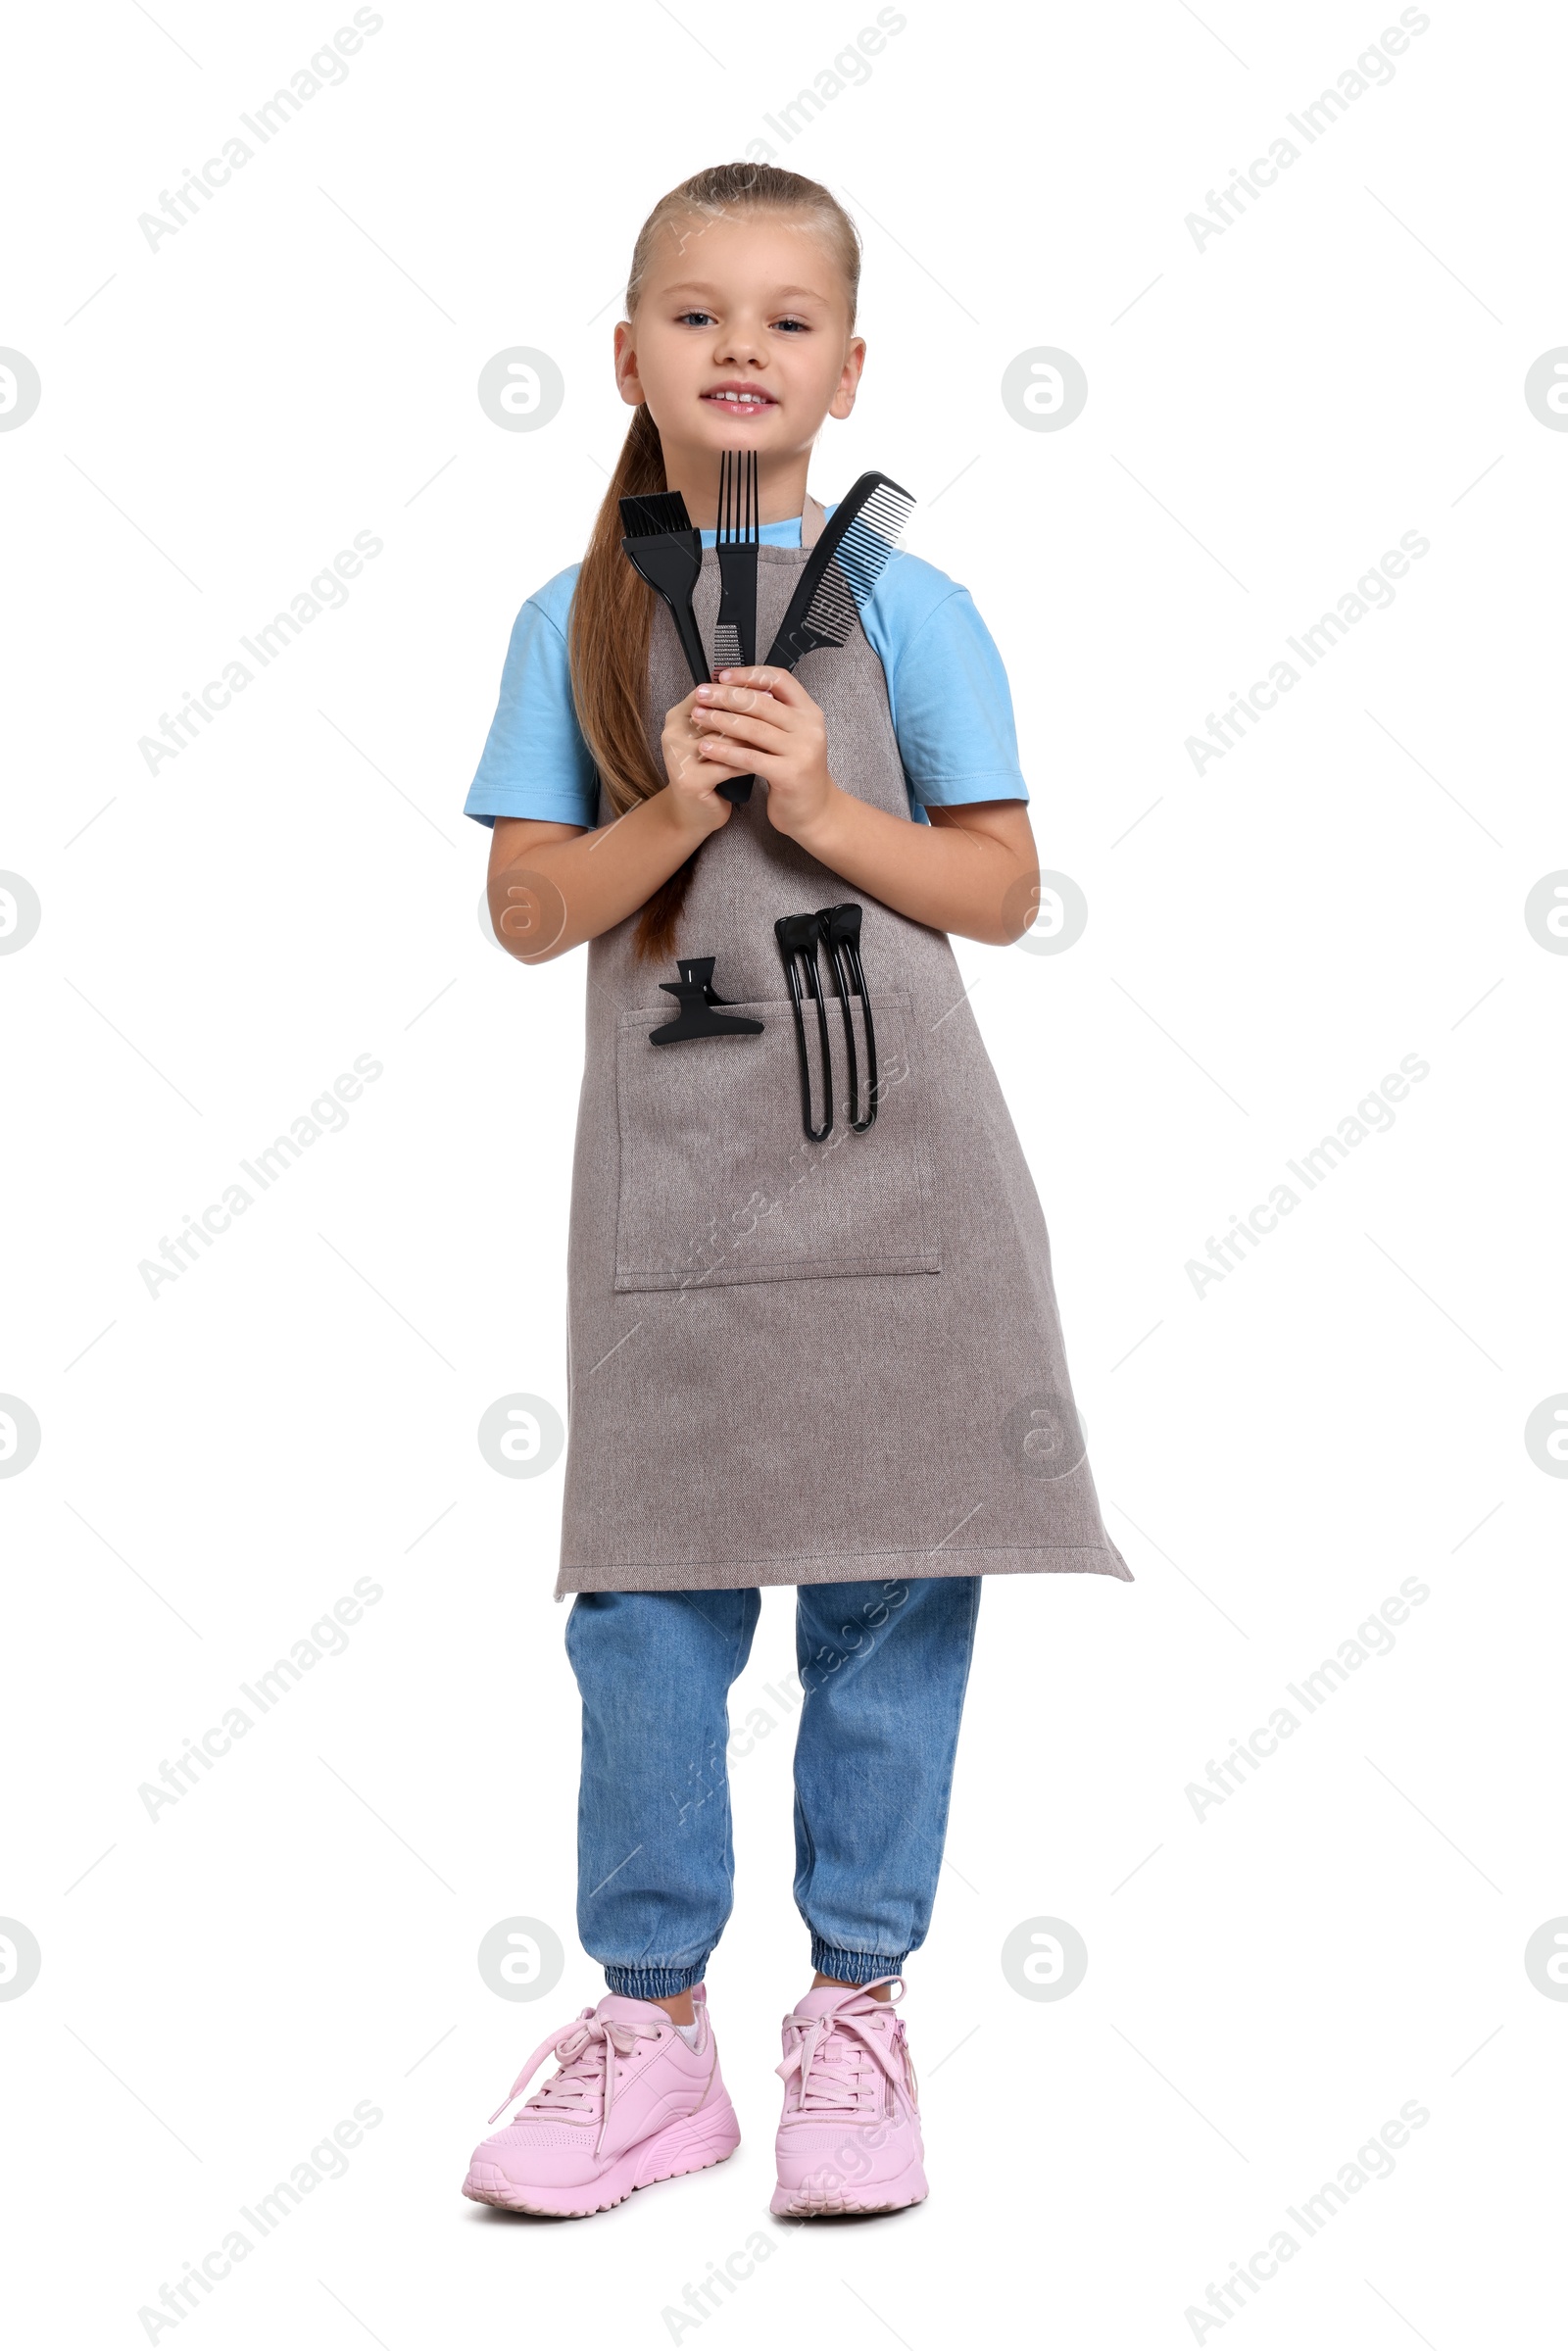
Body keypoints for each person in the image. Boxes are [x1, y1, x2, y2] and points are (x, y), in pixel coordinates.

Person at [459, 162, 1130, 2223]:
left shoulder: (913, 611)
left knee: (889, 1596)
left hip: (900, 1193)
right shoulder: (571, 621)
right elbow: (522, 911)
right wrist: (671, 799)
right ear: (625, 359)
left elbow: (1000, 893)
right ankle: (650, 2038)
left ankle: (855, 2016)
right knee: (647, 1614)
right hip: (674, 1213)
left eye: (780, 316)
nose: (735, 344)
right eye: (691, 311)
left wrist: (828, 806)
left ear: (846, 369)